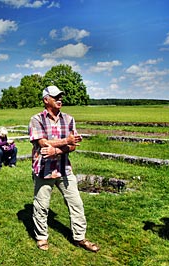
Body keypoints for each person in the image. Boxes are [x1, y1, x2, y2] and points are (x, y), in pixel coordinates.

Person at [28, 85, 100, 252]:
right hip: (43, 169)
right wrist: (65, 141)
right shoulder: (36, 119)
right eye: (55, 97)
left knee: (76, 203)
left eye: (61, 96)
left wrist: (56, 149)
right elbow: (42, 143)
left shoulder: (69, 119)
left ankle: (80, 237)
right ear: (46, 100)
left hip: (64, 168)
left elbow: (73, 145)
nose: (60, 99)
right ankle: (41, 237)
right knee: (41, 205)